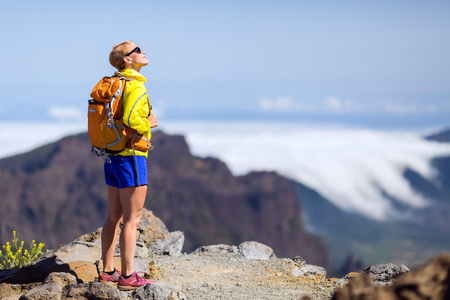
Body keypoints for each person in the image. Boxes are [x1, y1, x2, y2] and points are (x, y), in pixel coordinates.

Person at [99, 41, 158, 290]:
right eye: (137, 50)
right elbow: (133, 120)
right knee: (132, 219)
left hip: (112, 155)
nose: (143, 52)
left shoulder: (117, 83)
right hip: (131, 156)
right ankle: (128, 277)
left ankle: (108, 271)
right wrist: (149, 123)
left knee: (113, 216)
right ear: (127, 59)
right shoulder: (135, 86)